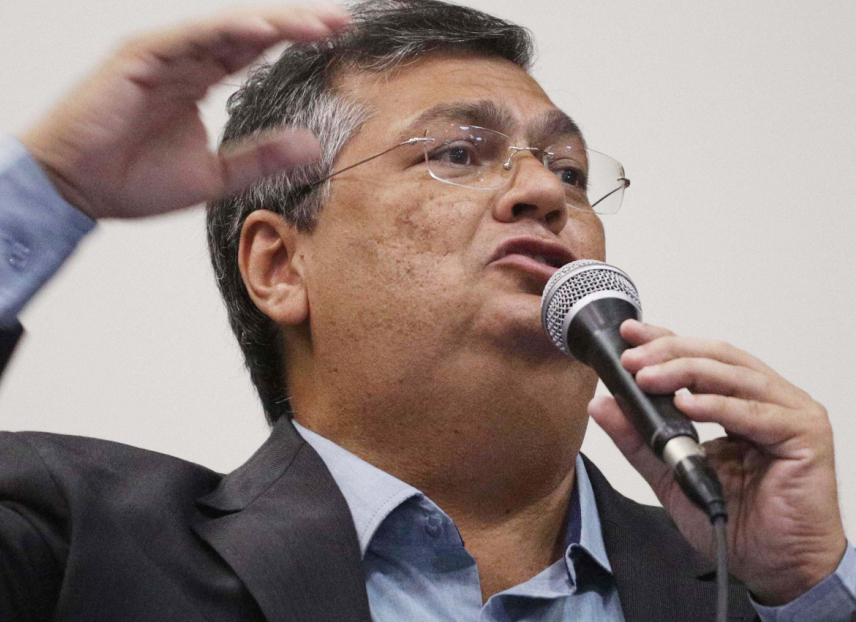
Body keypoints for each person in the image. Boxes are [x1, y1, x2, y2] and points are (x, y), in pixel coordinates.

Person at [0, 1, 853, 620]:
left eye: (569, 171)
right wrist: (46, 191)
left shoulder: (749, 589)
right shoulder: (80, 547)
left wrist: (808, 589)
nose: (541, 191)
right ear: (280, 266)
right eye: (457, 154)